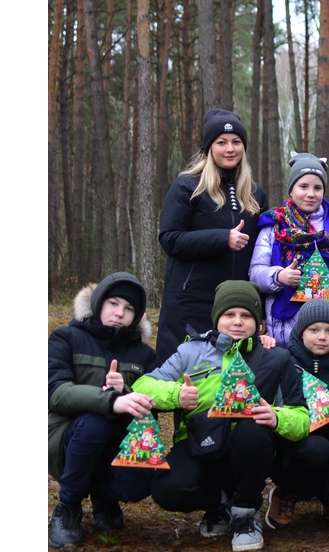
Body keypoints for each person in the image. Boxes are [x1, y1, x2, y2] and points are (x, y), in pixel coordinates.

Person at [133, 281, 310, 552]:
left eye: (246, 315)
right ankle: (219, 502)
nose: (237, 322)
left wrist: (276, 417)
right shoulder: (190, 351)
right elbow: (142, 386)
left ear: (259, 323)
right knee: (168, 490)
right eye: (229, 315)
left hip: (251, 450)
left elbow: (301, 418)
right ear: (217, 318)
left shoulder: (277, 358)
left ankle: (246, 513)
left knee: (252, 430)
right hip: (197, 443)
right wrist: (177, 394)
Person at [48, 273, 159, 548]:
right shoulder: (66, 337)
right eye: (113, 303)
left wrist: (127, 393)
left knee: (145, 477)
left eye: (129, 308)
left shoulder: (145, 355)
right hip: (66, 440)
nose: (119, 313)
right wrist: (109, 401)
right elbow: (54, 392)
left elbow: (152, 414)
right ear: (98, 304)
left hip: (116, 441)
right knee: (93, 423)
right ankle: (69, 506)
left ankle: (103, 495)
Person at [158, 109, 267, 365]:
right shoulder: (187, 186)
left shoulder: (254, 193)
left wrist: (259, 305)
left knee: (232, 380)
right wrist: (222, 239)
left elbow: (262, 252)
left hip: (236, 305)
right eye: (221, 142)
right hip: (191, 301)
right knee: (188, 375)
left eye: (236, 142)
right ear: (209, 148)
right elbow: (170, 239)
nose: (230, 149)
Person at [265, 299, 329, 531]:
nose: (322, 337)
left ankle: (327, 497)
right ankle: (287, 493)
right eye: (314, 330)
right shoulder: (283, 364)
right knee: (316, 447)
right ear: (301, 333)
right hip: (290, 454)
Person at [250, 152, 329, 347]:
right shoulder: (275, 227)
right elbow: (255, 272)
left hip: (327, 333)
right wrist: (279, 276)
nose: (311, 194)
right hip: (284, 334)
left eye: (317, 188)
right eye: (303, 186)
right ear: (291, 190)